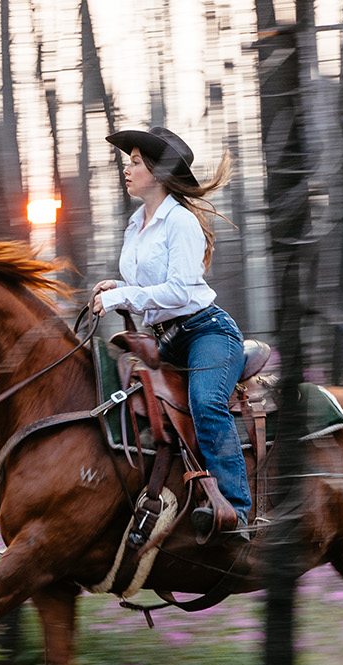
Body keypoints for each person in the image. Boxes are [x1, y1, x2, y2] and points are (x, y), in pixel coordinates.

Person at [88, 125, 250, 543]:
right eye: (129, 161)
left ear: (158, 174)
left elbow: (180, 291)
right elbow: (148, 291)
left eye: (136, 162)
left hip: (205, 332)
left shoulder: (180, 223)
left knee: (206, 402)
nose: (127, 169)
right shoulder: (136, 223)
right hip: (162, 338)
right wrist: (117, 290)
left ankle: (237, 511)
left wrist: (126, 294)